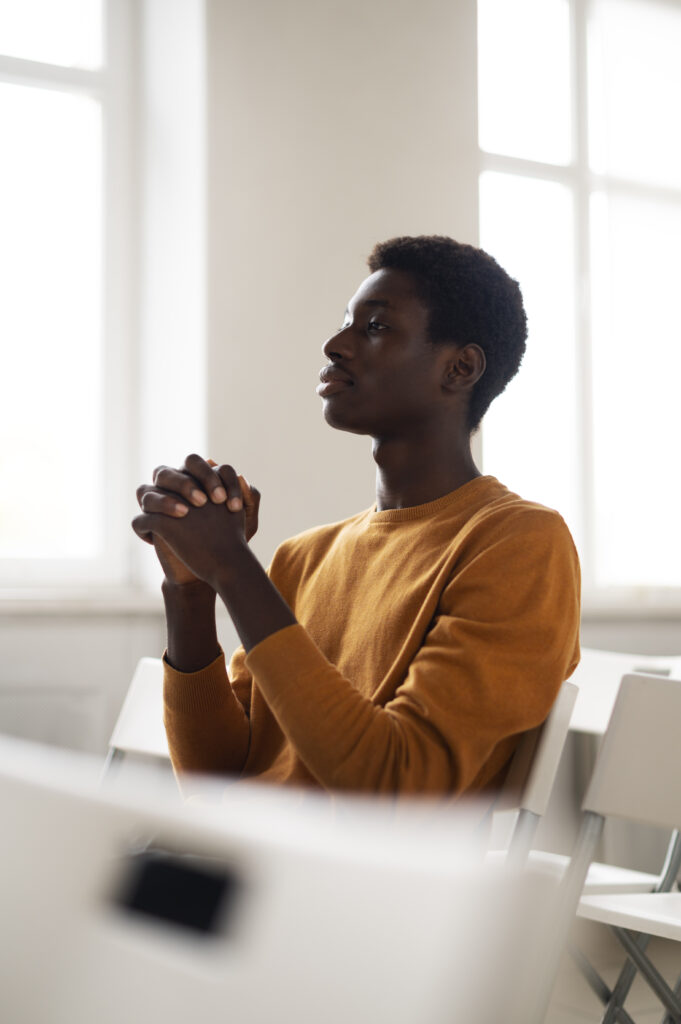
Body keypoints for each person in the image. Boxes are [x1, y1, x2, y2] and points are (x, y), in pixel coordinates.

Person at [132, 235, 580, 798]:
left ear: (460, 368)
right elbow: (214, 785)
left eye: (374, 326)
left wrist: (233, 568)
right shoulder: (304, 557)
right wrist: (192, 589)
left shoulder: (518, 543)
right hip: (250, 865)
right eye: (345, 321)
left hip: (364, 883)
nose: (334, 343)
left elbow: (397, 783)